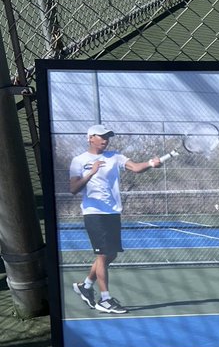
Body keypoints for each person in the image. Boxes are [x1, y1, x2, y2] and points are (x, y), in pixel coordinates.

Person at [68, 124, 162, 314]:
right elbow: (74, 188)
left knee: (111, 254)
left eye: (107, 137)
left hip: (112, 212)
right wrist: (91, 173)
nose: (105, 140)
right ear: (90, 138)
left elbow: (136, 167)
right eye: (101, 136)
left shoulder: (115, 156)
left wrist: (151, 163)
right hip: (93, 213)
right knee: (102, 255)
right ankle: (105, 299)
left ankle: (86, 286)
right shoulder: (79, 161)